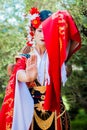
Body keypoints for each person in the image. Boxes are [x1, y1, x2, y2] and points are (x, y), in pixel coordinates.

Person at [0, 7, 81, 130]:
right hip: (31, 113)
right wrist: (27, 77)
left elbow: (73, 35)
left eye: (48, 31)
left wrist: (60, 17)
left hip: (56, 113)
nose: (44, 35)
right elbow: (18, 72)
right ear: (33, 32)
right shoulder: (26, 57)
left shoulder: (58, 56)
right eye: (40, 31)